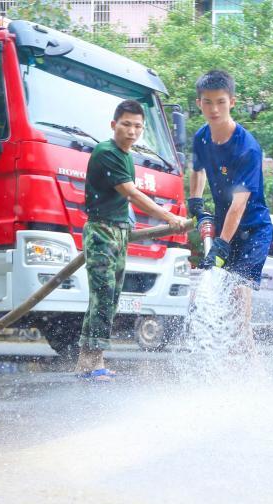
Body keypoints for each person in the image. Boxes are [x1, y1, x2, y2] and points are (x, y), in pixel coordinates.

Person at [76, 99, 185, 380]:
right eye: (126, 124)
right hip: (101, 232)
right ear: (114, 125)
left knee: (110, 298)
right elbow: (132, 194)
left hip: (119, 232)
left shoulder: (126, 156)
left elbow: (125, 202)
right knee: (102, 295)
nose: (132, 131)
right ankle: (93, 361)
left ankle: (86, 363)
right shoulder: (106, 152)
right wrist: (168, 217)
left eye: (138, 126)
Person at [187, 70, 273, 356]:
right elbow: (196, 171)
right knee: (218, 308)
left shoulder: (246, 148)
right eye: (207, 102)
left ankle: (251, 381)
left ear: (232, 102)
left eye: (220, 102)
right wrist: (196, 203)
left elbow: (239, 206)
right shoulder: (201, 137)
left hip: (251, 232)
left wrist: (221, 245)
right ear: (199, 103)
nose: (214, 109)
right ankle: (225, 371)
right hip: (226, 227)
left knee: (238, 307)